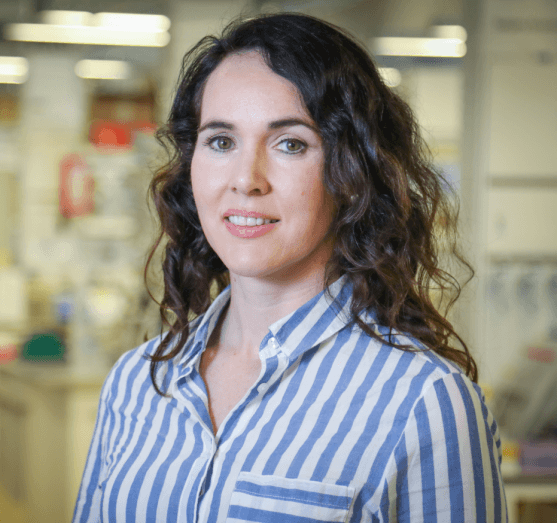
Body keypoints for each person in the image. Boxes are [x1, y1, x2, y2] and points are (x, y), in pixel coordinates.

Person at [74, 13, 506, 523]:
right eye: (221, 141)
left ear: (352, 173)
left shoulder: (426, 403)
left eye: (290, 144)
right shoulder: (138, 382)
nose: (246, 179)